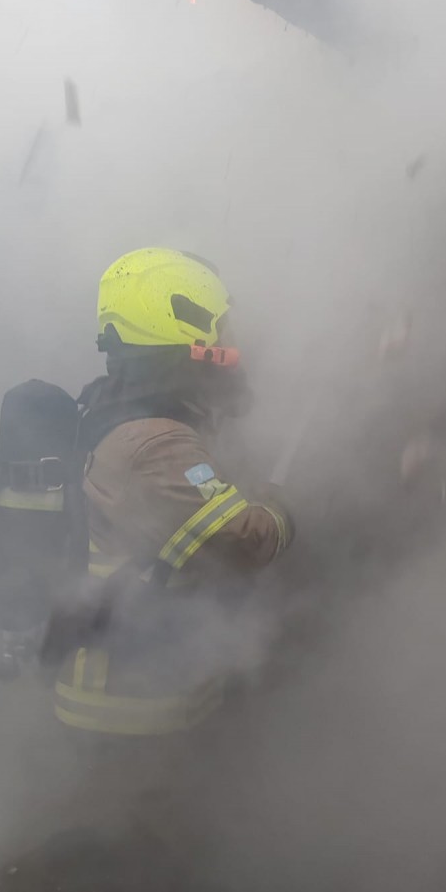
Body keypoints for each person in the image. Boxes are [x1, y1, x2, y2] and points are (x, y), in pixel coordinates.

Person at [51, 246, 294, 737]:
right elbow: (239, 542)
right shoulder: (155, 444)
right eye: (220, 327)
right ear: (187, 329)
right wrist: (277, 508)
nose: (230, 341)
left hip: (139, 679)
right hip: (130, 704)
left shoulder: (121, 404)